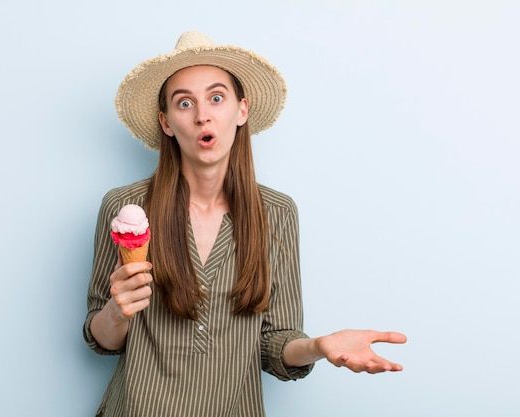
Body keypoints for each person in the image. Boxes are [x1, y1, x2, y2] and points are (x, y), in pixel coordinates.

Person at [83, 31, 407, 417]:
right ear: (166, 123)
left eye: (216, 98)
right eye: (184, 103)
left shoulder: (278, 213)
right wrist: (116, 313)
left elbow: (274, 344)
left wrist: (319, 346)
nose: (202, 114)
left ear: (241, 110)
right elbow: (101, 338)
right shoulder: (124, 206)